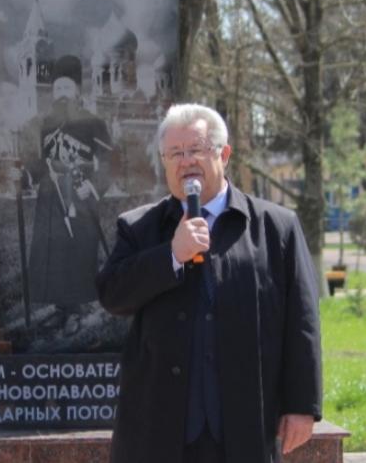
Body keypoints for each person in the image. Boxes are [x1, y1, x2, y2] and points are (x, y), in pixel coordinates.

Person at [96, 104, 322, 463]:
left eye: (196, 150)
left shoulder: (276, 227)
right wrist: (171, 254)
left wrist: (302, 405)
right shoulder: (139, 228)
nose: (186, 162)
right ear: (164, 163)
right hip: (161, 429)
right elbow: (113, 295)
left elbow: (302, 322)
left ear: (224, 154)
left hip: (244, 424)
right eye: (175, 154)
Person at [14, 54, 113, 308]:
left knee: (79, 249)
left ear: (78, 91)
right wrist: (25, 176)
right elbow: (40, 162)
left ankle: (81, 303)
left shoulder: (94, 123)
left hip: (80, 193)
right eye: (58, 88)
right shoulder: (45, 124)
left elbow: (108, 164)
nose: (62, 93)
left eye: (67, 87)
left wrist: (92, 187)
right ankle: (55, 303)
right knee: (52, 252)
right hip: (50, 196)